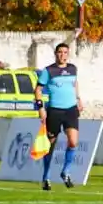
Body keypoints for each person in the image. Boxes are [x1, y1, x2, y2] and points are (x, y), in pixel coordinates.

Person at [34, 42, 84, 190]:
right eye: (60, 52)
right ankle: (46, 178)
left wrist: (79, 98)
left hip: (70, 110)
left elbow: (74, 84)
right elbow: (38, 90)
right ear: (56, 54)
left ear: (68, 54)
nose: (62, 55)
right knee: (50, 145)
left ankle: (66, 172)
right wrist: (41, 108)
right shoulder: (48, 71)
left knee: (73, 142)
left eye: (65, 53)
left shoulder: (72, 68)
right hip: (55, 111)